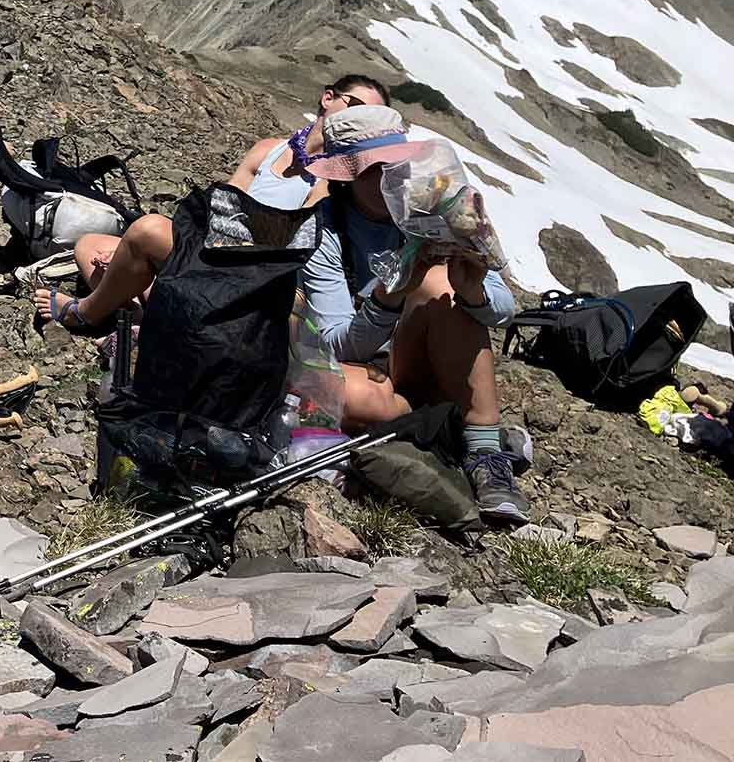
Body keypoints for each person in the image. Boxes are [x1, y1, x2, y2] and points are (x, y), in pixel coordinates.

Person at [296, 105, 527, 522]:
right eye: (376, 168)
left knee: (439, 285)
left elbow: (504, 309)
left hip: (429, 353)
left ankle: (487, 457)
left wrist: (473, 293)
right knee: (339, 392)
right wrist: (386, 301)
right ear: (348, 175)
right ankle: (452, 427)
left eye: (396, 165)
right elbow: (332, 342)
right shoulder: (322, 230)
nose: (390, 178)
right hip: (369, 368)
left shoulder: (436, 205)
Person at [35, 74, 391, 332]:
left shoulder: (334, 180)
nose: (360, 119)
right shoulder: (269, 150)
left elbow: (290, 252)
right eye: (356, 106)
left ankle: (88, 313)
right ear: (328, 98)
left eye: (370, 118)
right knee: (92, 245)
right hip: (214, 255)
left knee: (146, 231)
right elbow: (216, 211)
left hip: (260, 284)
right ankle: (148, 319)